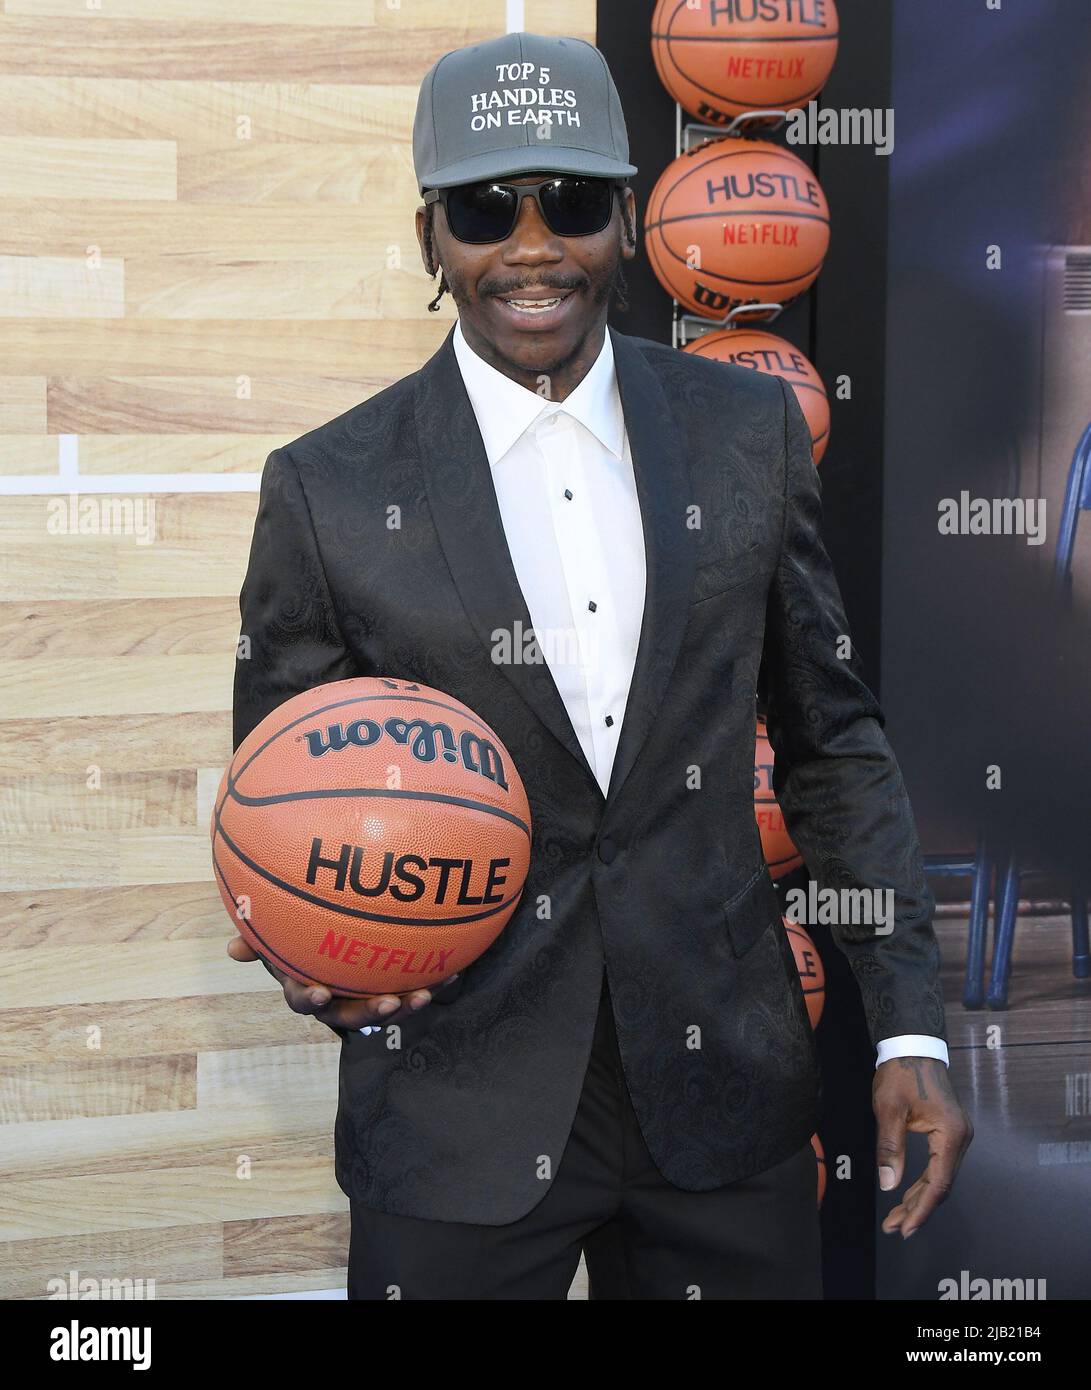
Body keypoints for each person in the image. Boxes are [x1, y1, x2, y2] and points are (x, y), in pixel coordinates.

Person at [228, 31, 972, 1300]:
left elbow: (832, 739)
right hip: (456, 1102)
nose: (530, 247)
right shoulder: (328, 488)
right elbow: (285, 782)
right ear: (429, 241)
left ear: (626, 221)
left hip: (720, 1099)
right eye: (482, 208)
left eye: (569, 201)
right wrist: (310, 948)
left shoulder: (747, 437)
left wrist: (905, 1014)